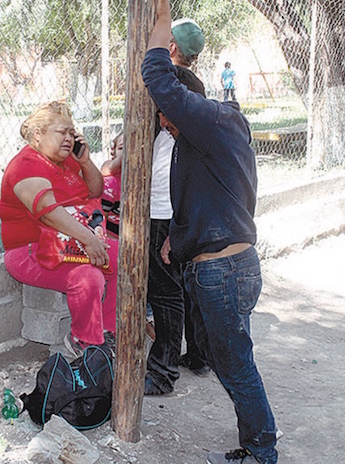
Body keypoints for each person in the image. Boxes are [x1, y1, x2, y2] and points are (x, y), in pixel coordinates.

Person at [142, 1, 279, 463]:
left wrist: (160, 22)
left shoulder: (211, 121)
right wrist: (174, 241)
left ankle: (262, 450)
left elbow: (159, 76)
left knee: (236, 365)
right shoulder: (212, 142)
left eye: (166, 116)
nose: (164, 123)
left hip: (223, 271)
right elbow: (208, 203)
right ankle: (255, 443)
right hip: (229, 265)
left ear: (185, 107)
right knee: (226, 358)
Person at [0, 100, 118, 359]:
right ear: (38, 134)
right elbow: (49, 212)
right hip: (29, 250)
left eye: (71, 133)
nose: (69, 138)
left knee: (126, 257)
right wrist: (89, 239)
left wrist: (85, 162)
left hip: (68, 244)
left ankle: (109, 331)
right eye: (62, 132)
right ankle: (85, 341)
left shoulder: (68, 162)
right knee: (88, 277)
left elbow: (96, 191)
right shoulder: (26, 164)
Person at [144, 17, 210, 396]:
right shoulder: (195, 87)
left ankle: (162, 370)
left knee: (164, 291)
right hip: (180, 203)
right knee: (185, 285)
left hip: (161, 206)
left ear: (170, 48)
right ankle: (198, 354)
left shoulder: (169, 85)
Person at [100, 131, 124, 239]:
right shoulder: (110, 184)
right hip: (112, 241)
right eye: (122, 148)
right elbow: (100, 222)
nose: (127, 152)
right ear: (113, 152)